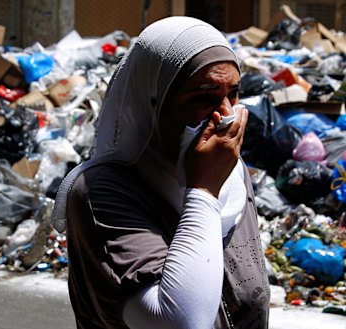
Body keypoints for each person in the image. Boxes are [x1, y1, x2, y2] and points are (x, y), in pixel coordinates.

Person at [51, 16, 270, 328]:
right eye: (203, 97)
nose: (225, 115)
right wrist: (203, 191)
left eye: (233, 93)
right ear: (153, 101)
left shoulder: (230, 174)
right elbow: (181, 321)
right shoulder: (101, 190)